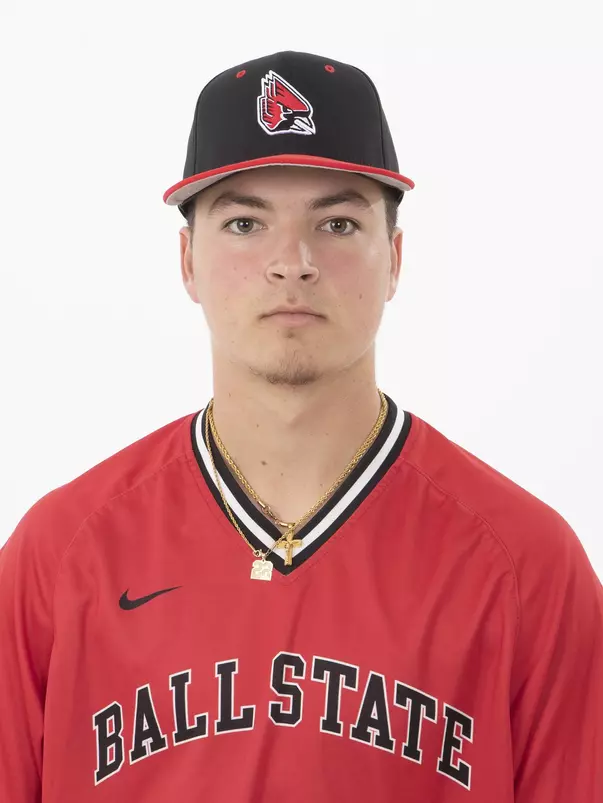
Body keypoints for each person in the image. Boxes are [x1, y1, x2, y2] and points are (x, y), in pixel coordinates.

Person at [0, 50, 601, 803]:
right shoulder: (60, 556)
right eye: (246, 222)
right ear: (187, 259)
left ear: (395, 258)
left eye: (339, 222)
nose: (293, 262)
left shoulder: (525, 566)